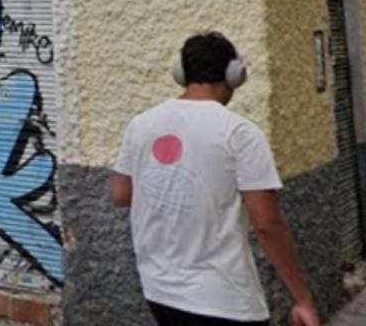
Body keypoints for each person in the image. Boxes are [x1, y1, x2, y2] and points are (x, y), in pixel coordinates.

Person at [109, 32, 320, 326]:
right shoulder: (240, 133)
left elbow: (120, 193)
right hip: (224, 302)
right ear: (234, 75)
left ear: (180, 74)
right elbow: (267, 224)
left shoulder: (141, 124)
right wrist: (302, 299)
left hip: (159, 291)